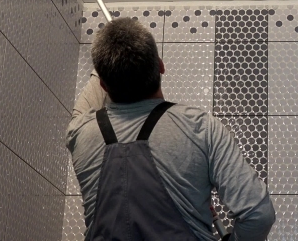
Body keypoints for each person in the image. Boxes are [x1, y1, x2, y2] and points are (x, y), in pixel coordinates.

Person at [66, 17, 275, 240]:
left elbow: (89, 100)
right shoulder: (201, 127)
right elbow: (258, 215)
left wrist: (109, 62)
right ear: (161, 66)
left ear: (104, 86)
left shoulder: (80, 132)